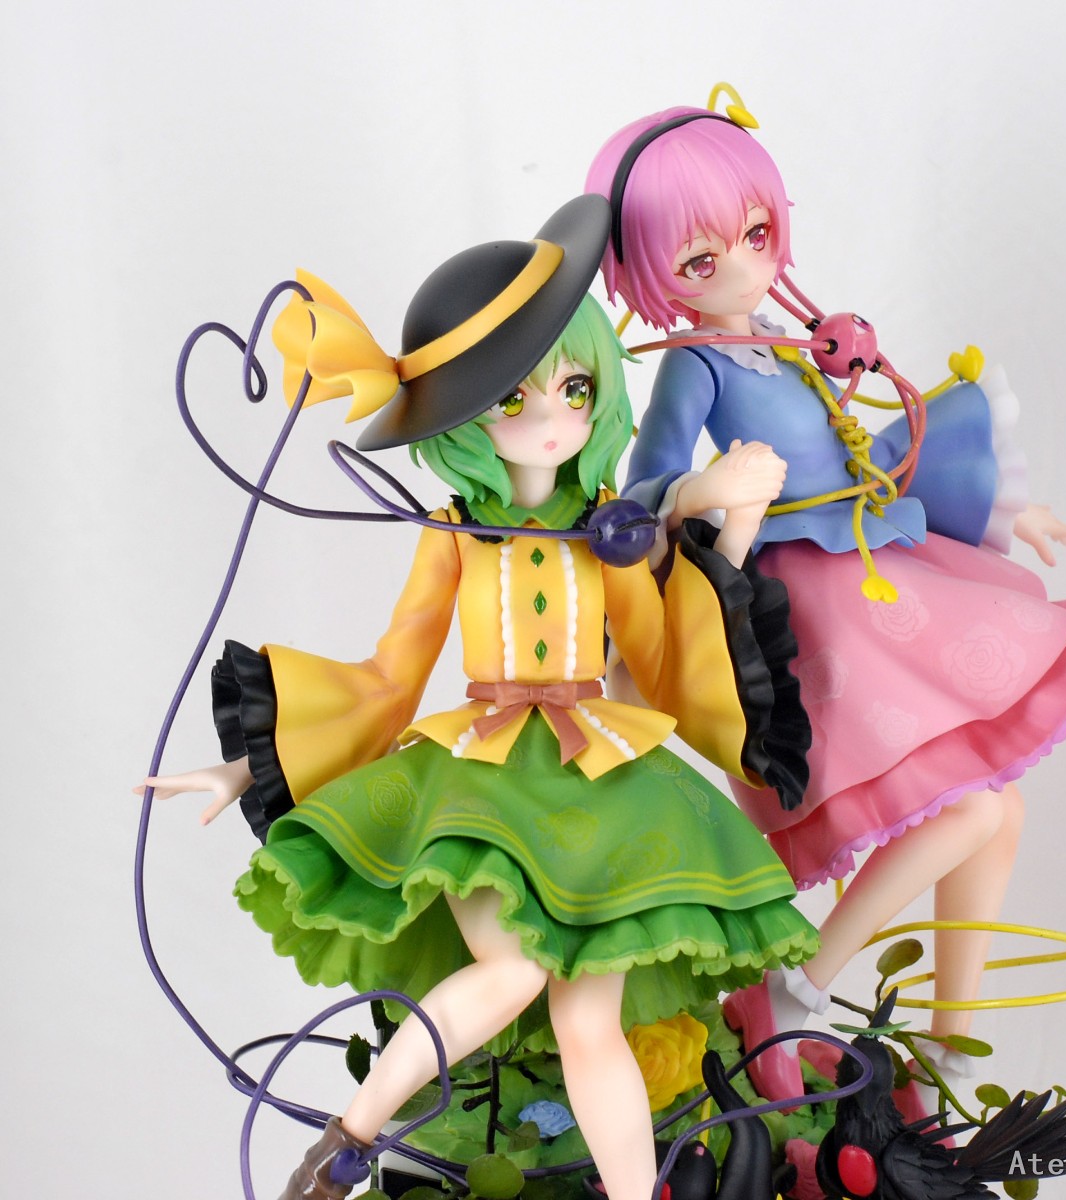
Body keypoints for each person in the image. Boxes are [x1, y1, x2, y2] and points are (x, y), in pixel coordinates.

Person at [141, 195, 817, 1200]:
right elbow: (391, 675)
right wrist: (249, 763)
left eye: (575, 389)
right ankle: (345, 1145)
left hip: (605, 785)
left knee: (590, 1023)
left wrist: (732, 530)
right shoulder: (453, 533)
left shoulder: (611, 533)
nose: (550, 419)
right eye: (512, 400)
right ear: (462, 417)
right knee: (509, 975)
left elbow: (664, 663)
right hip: (481, 789)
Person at [585, 110, 1066, 1102]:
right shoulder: (693, 365)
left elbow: (865, 456)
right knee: (972, 806)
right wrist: (707, 490)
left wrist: (1007, 507)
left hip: (876, 574)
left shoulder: (786, 342)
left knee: (998, 810)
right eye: (702, 259)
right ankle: (797, 986)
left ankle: (947, 1050)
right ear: (656, 275)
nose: (744, 267)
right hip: (816, 618)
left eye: (756, 234)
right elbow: (643, 488)